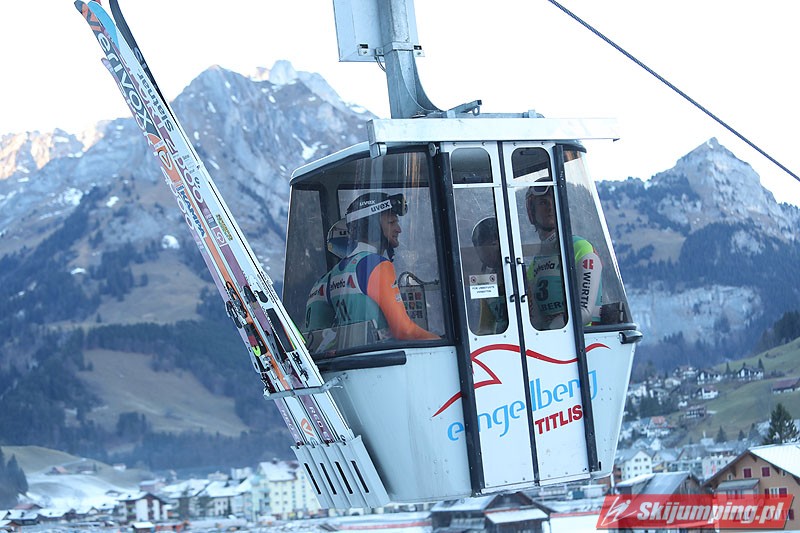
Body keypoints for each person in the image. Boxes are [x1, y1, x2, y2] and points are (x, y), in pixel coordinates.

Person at [303, 192, 438, 348]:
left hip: (355, 359)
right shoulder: (376, 264)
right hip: (385, 356)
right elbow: (404, 331)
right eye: (391, 222)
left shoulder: (331, 276)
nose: (398, 229)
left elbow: (317, 340)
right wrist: (440, 341)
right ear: (372, 226)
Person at [525, 182, 602, 330]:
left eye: (555, 201)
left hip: (584, 339)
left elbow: (584, 313)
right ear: (531, 211)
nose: (550, 207)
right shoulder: (537, 261)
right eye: (543, 202)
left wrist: (552, 329)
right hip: (552, 338)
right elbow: (534, 317)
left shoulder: (579, 247)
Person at [471, 216, 508, 335]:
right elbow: (485, 327)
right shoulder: (487, 282)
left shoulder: (522, 273)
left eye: (482, 247)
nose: (480, 254)